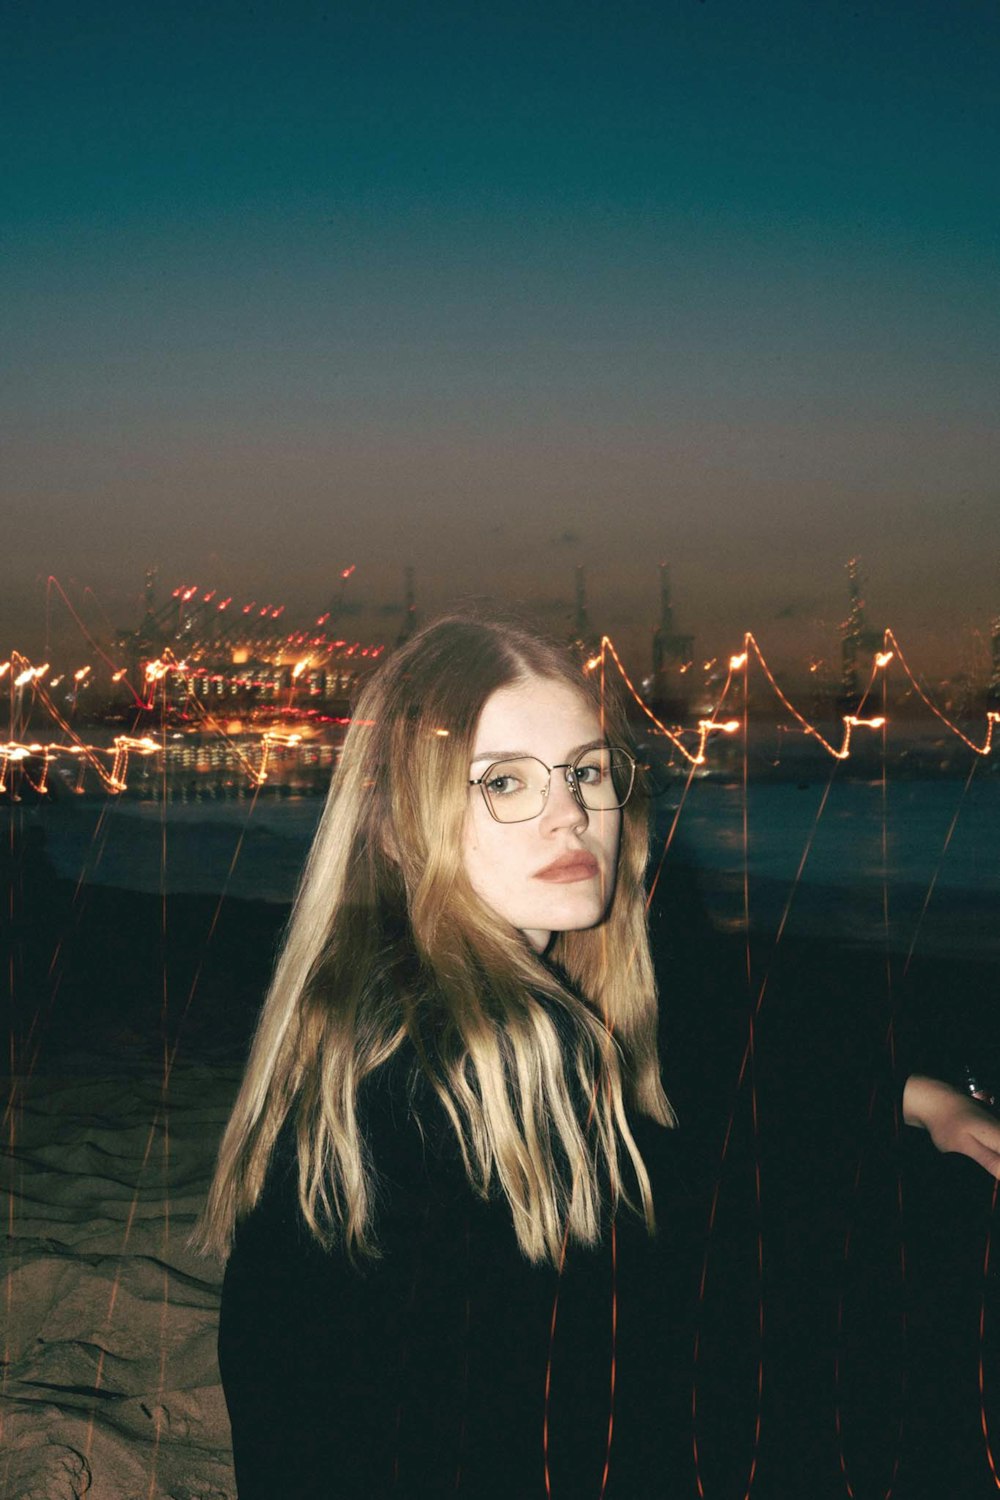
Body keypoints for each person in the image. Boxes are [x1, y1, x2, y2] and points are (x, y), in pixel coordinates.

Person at [197, 610, 1000, 1499]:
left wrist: (908, 1093)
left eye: (585, 771)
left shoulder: (381, 1012)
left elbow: (698, 1081)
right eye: (505, 782)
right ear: (400, 824)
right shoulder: (466, 1064)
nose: (571, 812)